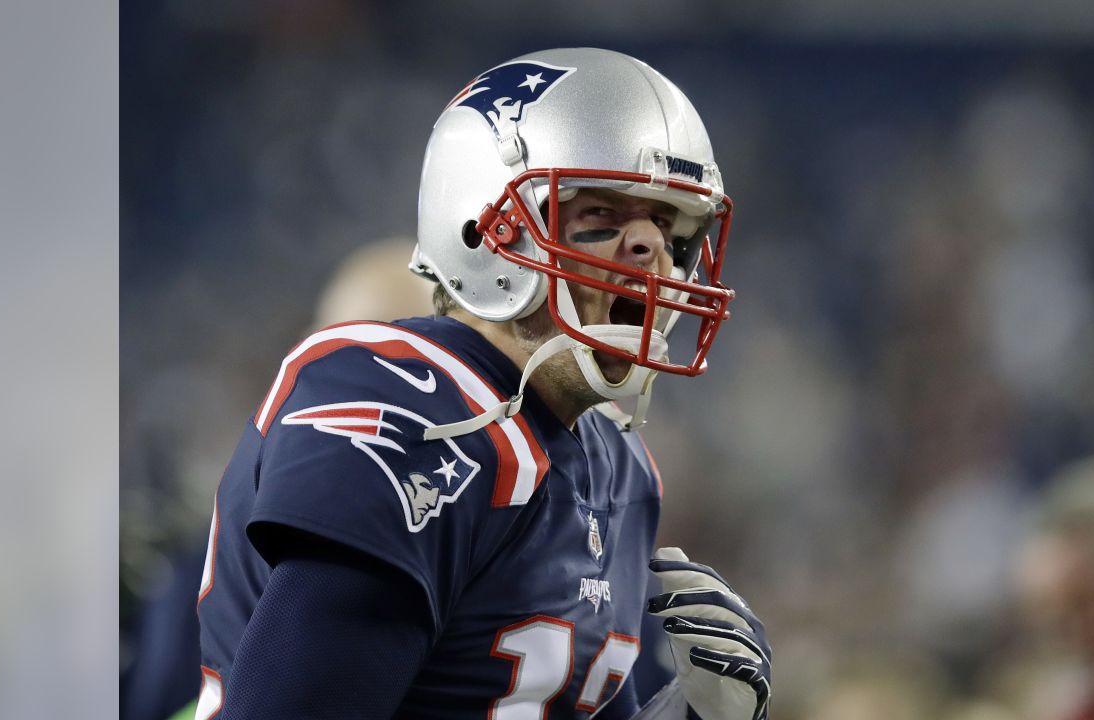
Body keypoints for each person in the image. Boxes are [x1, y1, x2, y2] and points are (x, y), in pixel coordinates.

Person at [195, 47, 771, 719]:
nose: (651, 253)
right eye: (603, 219)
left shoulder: (622, 467)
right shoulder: (407, 405)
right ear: (481, 229)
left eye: (670, 231)